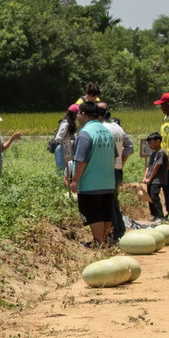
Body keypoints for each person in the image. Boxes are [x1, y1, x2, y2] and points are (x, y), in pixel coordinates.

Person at [67, 101, 116, 246]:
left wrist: (75, 180)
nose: (77, 118)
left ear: (83, 114)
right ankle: (107, 241)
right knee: (106, 212)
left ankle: (98, 242)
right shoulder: (107, 131)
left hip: (90, 183)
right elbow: (114, 156)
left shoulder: (85, 133)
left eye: (78, 114)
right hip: (108, 181)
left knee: (93, 213)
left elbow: (81, 160)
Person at [99, 103, 133, 238]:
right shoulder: (117, 127)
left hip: (108, 170)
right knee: (114, 201)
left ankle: (114, 234)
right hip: (118, 170)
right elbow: (129, 146)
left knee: (108, 203)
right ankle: (120, 231)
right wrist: (122, 162)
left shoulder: (102, 129)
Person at [142, 132, 167, 221]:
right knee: (150, 197)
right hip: (151, 179)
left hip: (157, 179)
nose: (150, 145)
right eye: (149, 143)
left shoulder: (161, 152)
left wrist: (150, 178)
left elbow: (157, 167)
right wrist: (145, 177)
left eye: (151, 143)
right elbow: (149, 166)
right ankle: (155, 215)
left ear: (158, 141)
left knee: (154, 197)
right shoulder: (153, 154)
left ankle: (160, 216)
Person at [50, 105, 79, 176]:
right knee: (62, 172)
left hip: (68, 149)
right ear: (74, 115)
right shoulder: (66, 124)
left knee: (69, 172)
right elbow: (58, 138)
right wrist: (70, 142)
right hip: (62, 149)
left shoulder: (71, 124)